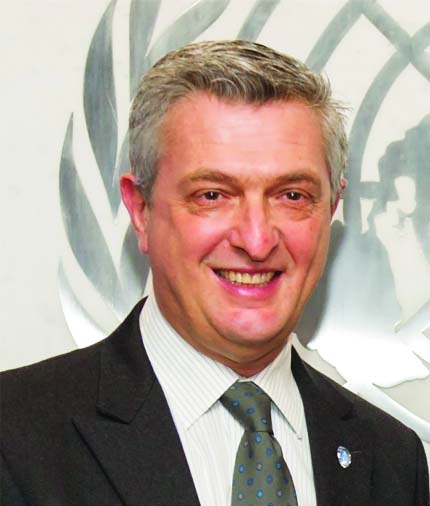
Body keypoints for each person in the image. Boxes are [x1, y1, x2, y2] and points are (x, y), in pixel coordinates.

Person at [1, 40, 428, 506]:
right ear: (140, 210)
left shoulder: (392, 458)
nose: (256, 240)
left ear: (331, 209)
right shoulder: (15, 437)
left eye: (292, 196)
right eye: (212, 195)